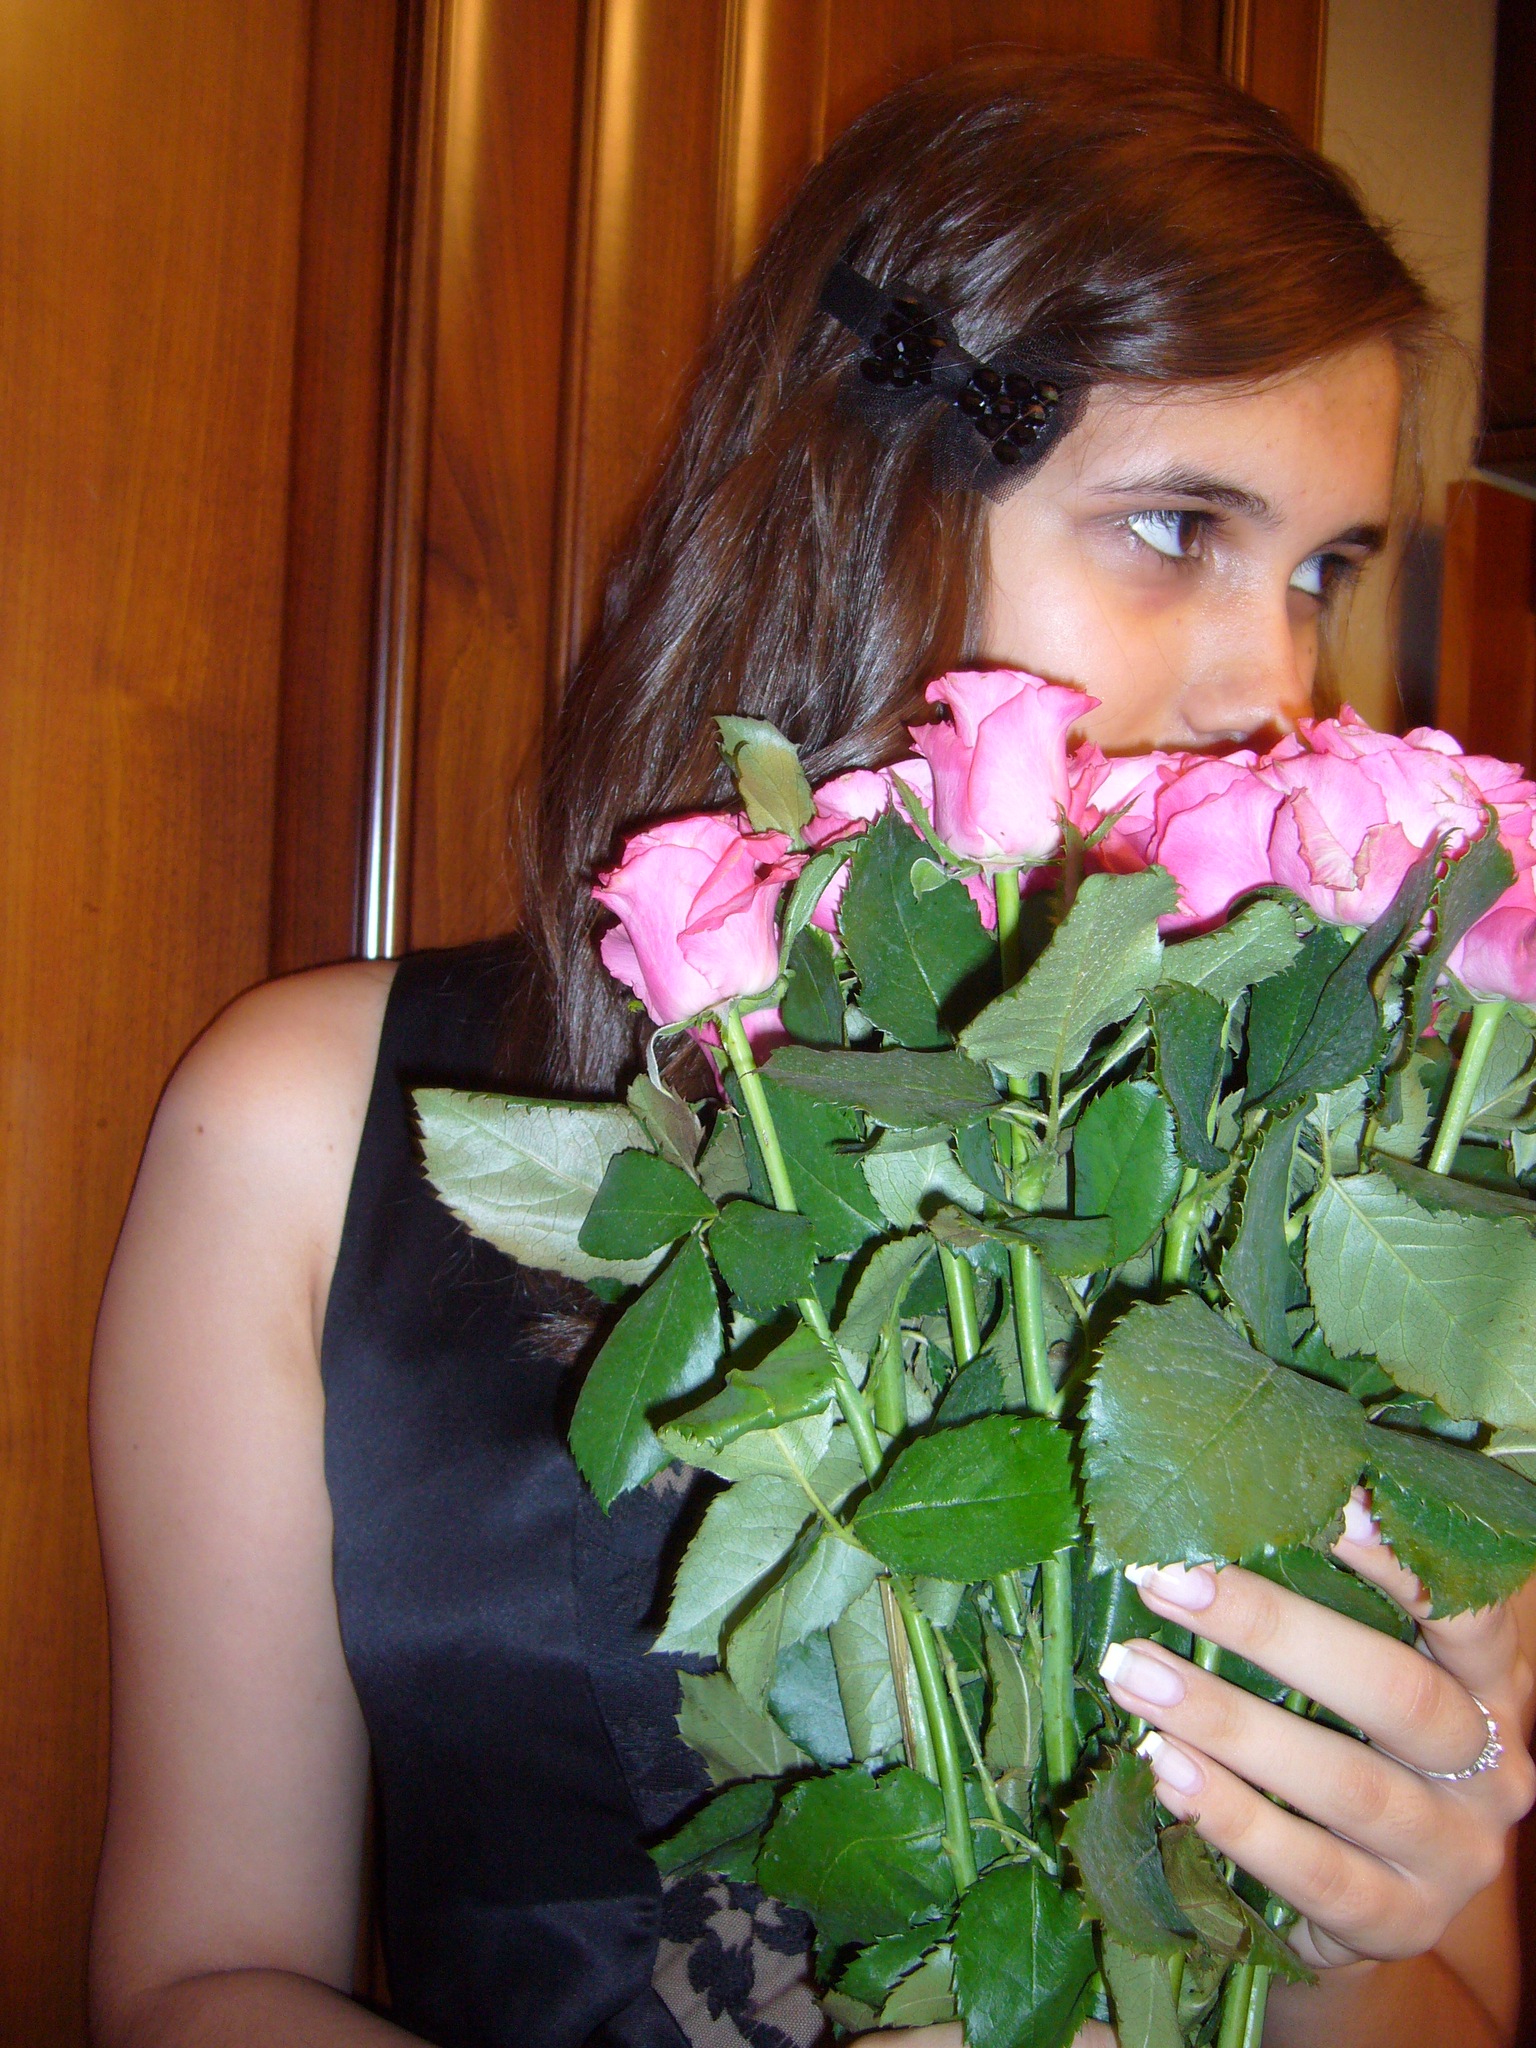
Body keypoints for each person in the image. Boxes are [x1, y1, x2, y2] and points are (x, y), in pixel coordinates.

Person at [87, 51, 1535, 2048]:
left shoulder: (1351, 1182)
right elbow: (192, 1981)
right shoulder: (310, 1128)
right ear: (865, 512)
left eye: (1322, 572)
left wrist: (1350, 1936)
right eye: (1174, 524)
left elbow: (1453, 2003)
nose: (1277, 686)